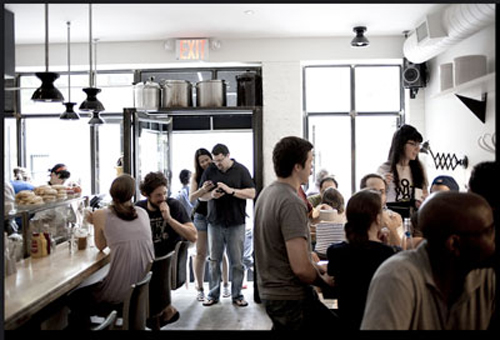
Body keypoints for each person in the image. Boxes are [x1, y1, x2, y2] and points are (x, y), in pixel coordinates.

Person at [361, 191, 495, 330]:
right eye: (488, 232)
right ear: (454, 244)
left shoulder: (487, 276)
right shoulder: (397, 276)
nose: (494, 241)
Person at [254, 136, 338, 330]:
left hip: (272, 293)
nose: (312, 168)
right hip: (290, 297)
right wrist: (323, 281)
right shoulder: (291, 201)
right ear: (297, 166)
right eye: (310, 162)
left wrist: (316, 268)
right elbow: (300, 267)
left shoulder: (267, 194)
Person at [67, 174, 155, 329]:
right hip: (138, 291)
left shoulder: (101, 214)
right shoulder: (142, 213)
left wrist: (93, 222)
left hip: (115, 294)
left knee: (73, 297)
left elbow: (100, 246)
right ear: (132, 193)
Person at [326, 189, 400, 330]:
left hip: (347, 322)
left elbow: (331, 285)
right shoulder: (390, 254)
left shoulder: (336, 252)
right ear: (378, 219)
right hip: (380, 323)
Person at [136, 171, 197, 325]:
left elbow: (193, 236)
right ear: (146, 194)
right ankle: (162, 311)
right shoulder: (139, 209)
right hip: (144, 260)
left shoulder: (174, 206)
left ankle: (158, 312)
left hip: (166, 262)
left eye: (164, 193)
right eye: (158, 195)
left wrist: (169, 219)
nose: (163, 198)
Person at [198, 143, 256, 307]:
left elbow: (252, 193)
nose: (218, 164)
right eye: (215, 161)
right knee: (214, 260)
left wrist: (231, 191)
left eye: (220, 161)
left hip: (236, 222)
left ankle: (237, 294)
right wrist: (212, 195)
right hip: (214, 222)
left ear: (228, 155)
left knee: (237, 261)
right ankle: (213, 294)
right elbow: (202, 197)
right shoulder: (210, 170)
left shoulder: (241, 170)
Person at [188, 148, 231, 302]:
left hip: (218, 216)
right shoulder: (197, 176)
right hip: (201, 216)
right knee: (200, 253)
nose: (205, 163)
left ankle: (225, 284)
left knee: (219, 252)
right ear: (198, 164)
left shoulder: (219, 172)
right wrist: (203, 189)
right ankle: (199, 288)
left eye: (207, 159)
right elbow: (192, 197)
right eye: (202, 161)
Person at [377, 124, 429, 217]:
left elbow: (424, 193)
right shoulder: (385, 169)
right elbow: (375, 198)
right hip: (391, 217)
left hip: (413, 218)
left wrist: (422, 200)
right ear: (400, 145)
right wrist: (383, 184)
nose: (417, 149)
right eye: (413, 144)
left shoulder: (419, 168)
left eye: (418, 144)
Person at [360, 173, 403, 246]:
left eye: (381, 191)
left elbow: (401, 250)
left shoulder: (395, 217)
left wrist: (391, 228)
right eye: (373, 191)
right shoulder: (353, 215)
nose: (378, 195)